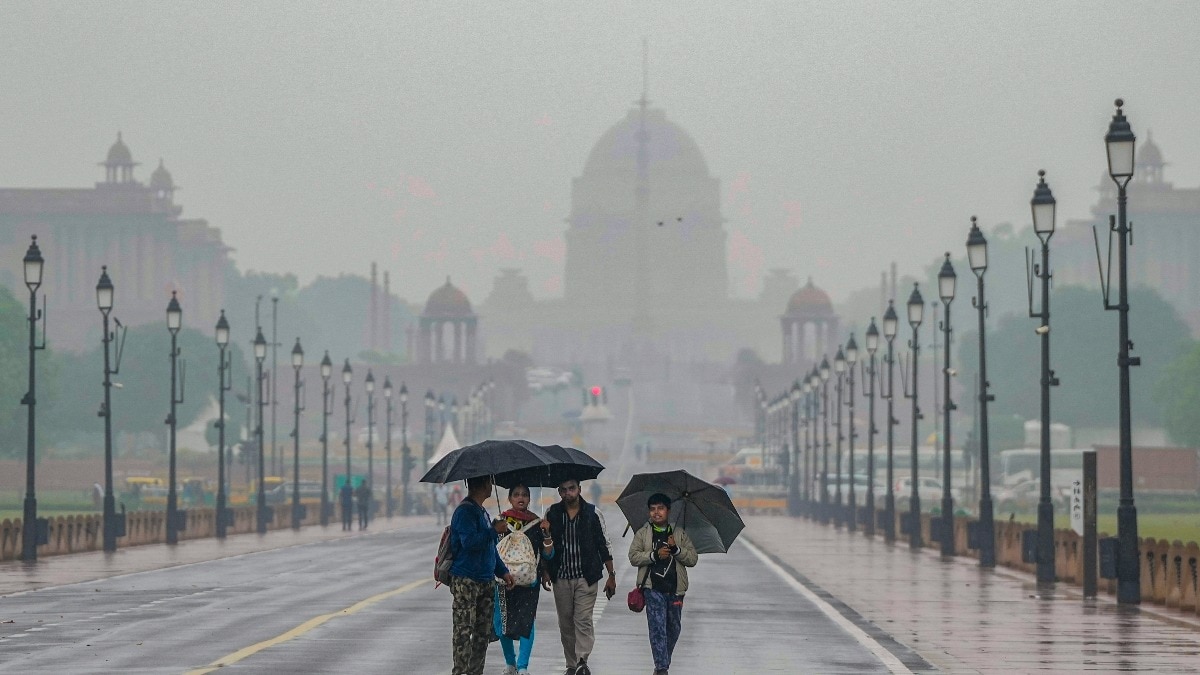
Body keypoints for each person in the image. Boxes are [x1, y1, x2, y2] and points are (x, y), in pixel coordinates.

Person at [544, 478, 615, 675]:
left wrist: (611, 574)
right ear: (559, 492)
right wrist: (545, 570)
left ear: (580, 489)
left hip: (586, 577)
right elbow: (546, 546)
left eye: (572, 488)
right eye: (564, 490)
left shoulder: (593, 513)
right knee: (566, 623)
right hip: (561, 577)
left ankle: (582, 660)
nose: (568, 493)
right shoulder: (552, 513)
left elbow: (604, 544)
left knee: (583, 619)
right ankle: (571, 665)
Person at [450, 475, 515, 675]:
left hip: (486, 580)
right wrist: (493, 531)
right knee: (464, 630)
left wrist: (503, 571)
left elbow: (490, 549)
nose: (491, 486)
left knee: (482, 633)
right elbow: (469, 542)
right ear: (484, 484)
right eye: (489, 483)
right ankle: (460, 671)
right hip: (466, 580)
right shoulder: (464, 512)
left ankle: (476, 671)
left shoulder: (482, 511)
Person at [627, 493, 698, 675]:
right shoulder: (643, 533)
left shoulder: (679, 534)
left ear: (668, 510)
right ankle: (661, 668)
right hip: (653, 589)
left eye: (660, 508)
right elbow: (633, 557)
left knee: (673, 629)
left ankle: (663, 662)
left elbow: (692, 559)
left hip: (675, 590)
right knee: (657, 628)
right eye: (652, 509)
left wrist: (676, 550)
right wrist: (654, 555)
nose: (656, 512)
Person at [492, 483, 554, 675]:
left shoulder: (537, 523)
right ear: (510, 498)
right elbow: (491, 550)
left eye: (525, 495)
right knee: (503, 622)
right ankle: (510, 663)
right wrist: (496, 531)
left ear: (530, 499)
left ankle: (523, 666)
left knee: (527, 621)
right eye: (517, 494)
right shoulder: (500, 522)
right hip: (503, 580)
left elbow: (547, 555)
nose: (521, 498)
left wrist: (547, 534)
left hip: (530, 582)